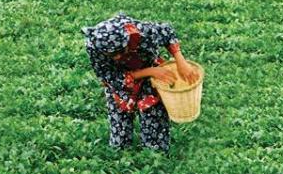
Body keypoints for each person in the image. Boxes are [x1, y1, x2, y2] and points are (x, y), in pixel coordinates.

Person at [82, 13, 198, 152]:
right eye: (111, 54)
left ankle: (154, 153)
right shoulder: (95, 46)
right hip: (122, 80)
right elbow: (110, 77)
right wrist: (149, 72)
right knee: (119, 137)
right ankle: (121, 152)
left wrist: (180, 60)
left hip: (147, 67)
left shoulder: (140, 32)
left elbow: (166, 31)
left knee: (153, 116)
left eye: (120, 50)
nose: (117, 56)